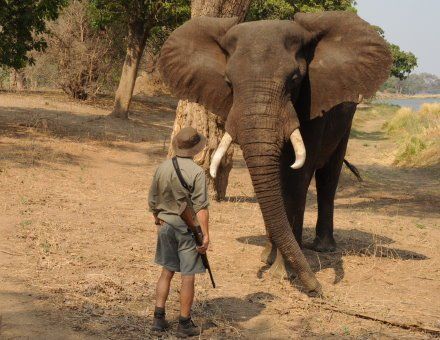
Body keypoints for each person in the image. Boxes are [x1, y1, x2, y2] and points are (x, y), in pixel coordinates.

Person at [148, 127, 210, 337]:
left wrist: (158, 217)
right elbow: (201, 208)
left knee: (166, 271)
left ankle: (158, 319)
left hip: (165, 227)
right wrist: (205, 235)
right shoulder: (197, 172)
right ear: (195, 149)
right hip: (187, 231)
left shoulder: (162, 167)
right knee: (188, 276)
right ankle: (184, 324)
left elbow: (152, 201)